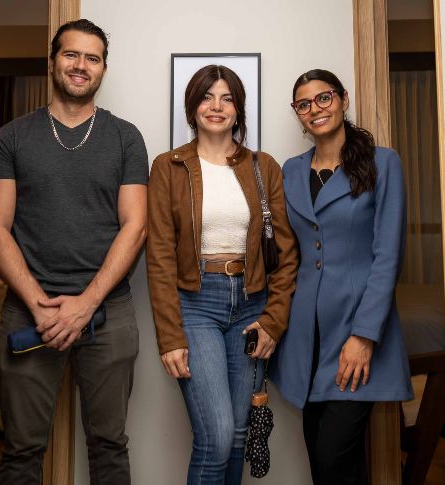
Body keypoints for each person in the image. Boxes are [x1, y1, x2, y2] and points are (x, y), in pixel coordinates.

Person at [0, 19, 148, 485]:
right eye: (71, 55)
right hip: (28, 310)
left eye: (92, 58)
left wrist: (86, 304)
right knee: (21, 449)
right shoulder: (12, 137)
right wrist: (40, 303)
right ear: (53, 61)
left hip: (108, 312)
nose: (81, 66)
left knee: (109, 446)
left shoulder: (125, 137)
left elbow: (134, 227)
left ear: (103, 69)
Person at [146, 64, 298, 485]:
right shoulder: (168, 167)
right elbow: (158, 255)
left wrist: (274, 319)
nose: (216, 106)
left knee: (236, 436)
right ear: (192, 107)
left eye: (227, 97)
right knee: (214, 437)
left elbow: (285, 256)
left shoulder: (262, 166)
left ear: (238, 109)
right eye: (207, 97)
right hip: (196, 305)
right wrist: (170, 335)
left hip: (252, 303)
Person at [268, 69, 413, 485]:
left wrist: (364, 336)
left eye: (324, 98)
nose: (315, 109)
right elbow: (286, 252)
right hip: (304, 340)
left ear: (343, 99)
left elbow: (388, 257)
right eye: (304, 104)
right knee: (327, 465)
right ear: (297, 113)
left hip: (355, 332)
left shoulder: (383, 162)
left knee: (333, 462)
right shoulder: (290, 171)